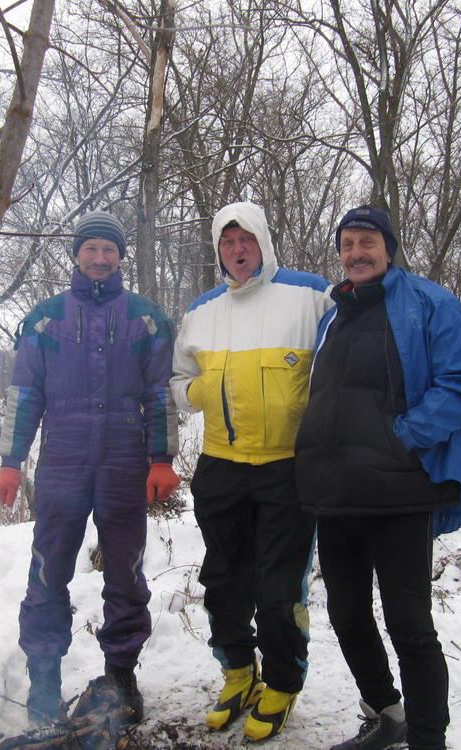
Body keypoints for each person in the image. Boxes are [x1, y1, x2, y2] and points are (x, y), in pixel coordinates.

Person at [294, 205, 461, 750]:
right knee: (346, 615)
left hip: (400, 491)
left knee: (409, 624)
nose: (356, 253)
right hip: (337, 492)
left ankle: (428, 740)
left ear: (388, 248)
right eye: (347, 244)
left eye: (367, 242)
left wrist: (401, 437)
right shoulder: (333, 314)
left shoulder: (429, 302)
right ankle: (389, 715)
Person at [0, 210, 181, 726]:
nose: (100, 258)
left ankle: (121, 676)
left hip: (124, 460)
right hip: (63, 459)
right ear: (76, 254)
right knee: (48, 569)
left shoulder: (146, 317)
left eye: (109, 249)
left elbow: (160, 393)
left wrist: (162, 459)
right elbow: (24, 393)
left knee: (125, 573)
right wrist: (11, 462)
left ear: (121, 257)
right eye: (91, 248)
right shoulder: (45, 318)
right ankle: (44, 683)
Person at [171, 201, 333, 742]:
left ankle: (282, 683)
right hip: (220, 465)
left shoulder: (311, 295)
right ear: (217, 249)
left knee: (279, 588)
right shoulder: (202, 311)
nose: (237, 250)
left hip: (287, 467)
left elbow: (346, 359)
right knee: (222, 581)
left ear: (263, 241)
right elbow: (177, 384)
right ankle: (238, 674)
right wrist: (203, 391)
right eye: (227, 241)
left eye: (246, 240)